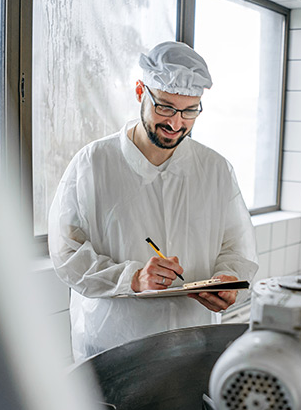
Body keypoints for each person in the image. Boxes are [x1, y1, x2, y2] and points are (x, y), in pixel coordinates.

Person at [48, 41, 258, 360]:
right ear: (139, 91)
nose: (176, 124)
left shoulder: (215, 170)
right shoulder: (92, 164)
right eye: (165, 107)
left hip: (192, 344)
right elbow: (67, 253)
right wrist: (132, 278)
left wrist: (228, 278)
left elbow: (236, 247)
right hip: (112, 347)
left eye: (190, 111)